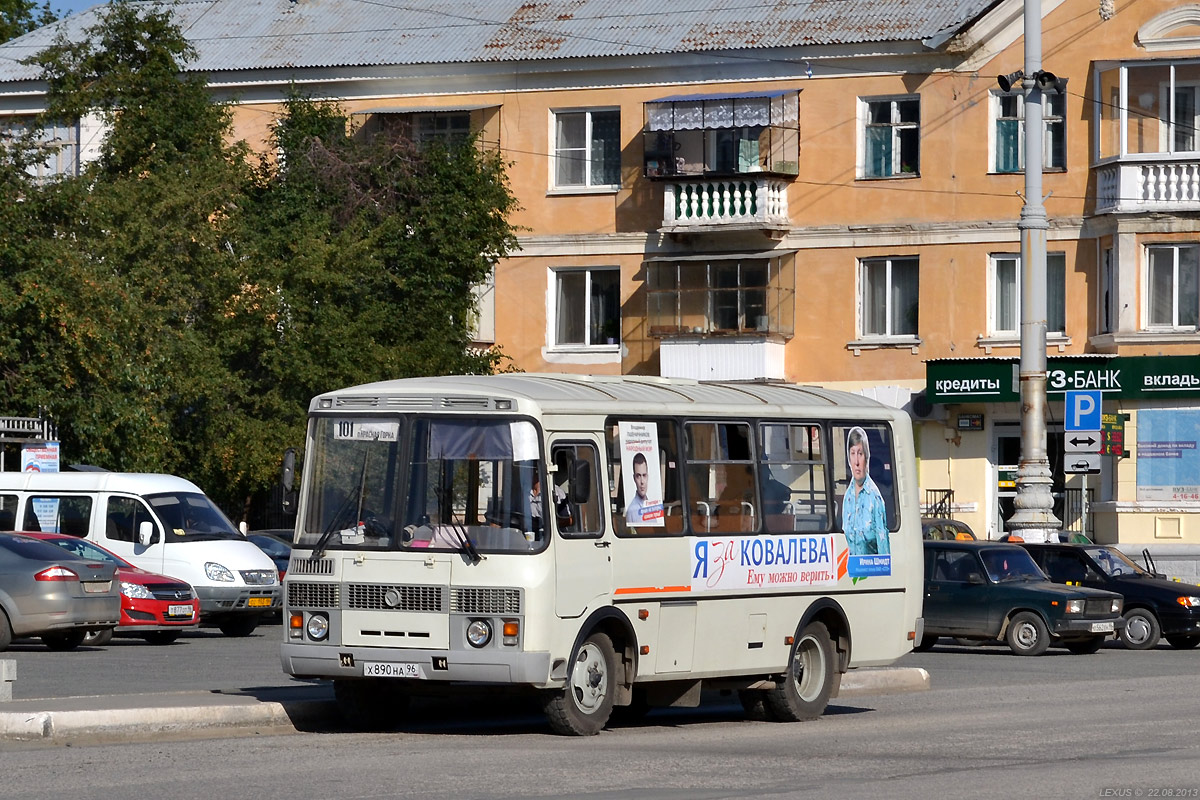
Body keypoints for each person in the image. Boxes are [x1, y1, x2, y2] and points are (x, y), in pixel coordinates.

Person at [841, 427, 889, 556]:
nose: (856, 462)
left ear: (866, 458)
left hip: (871, 572)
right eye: (853, 453)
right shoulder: (848, 497)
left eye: (860, 454)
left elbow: (883, 549)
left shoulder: (874, 497)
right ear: (849, 459)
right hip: (852, 573)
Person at [624, 452, 652, 523]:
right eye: (638, 476)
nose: (642, 482)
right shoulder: (631, 511)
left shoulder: (653, 506)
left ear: (647, 476)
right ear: (634, 478)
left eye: (644, 475)